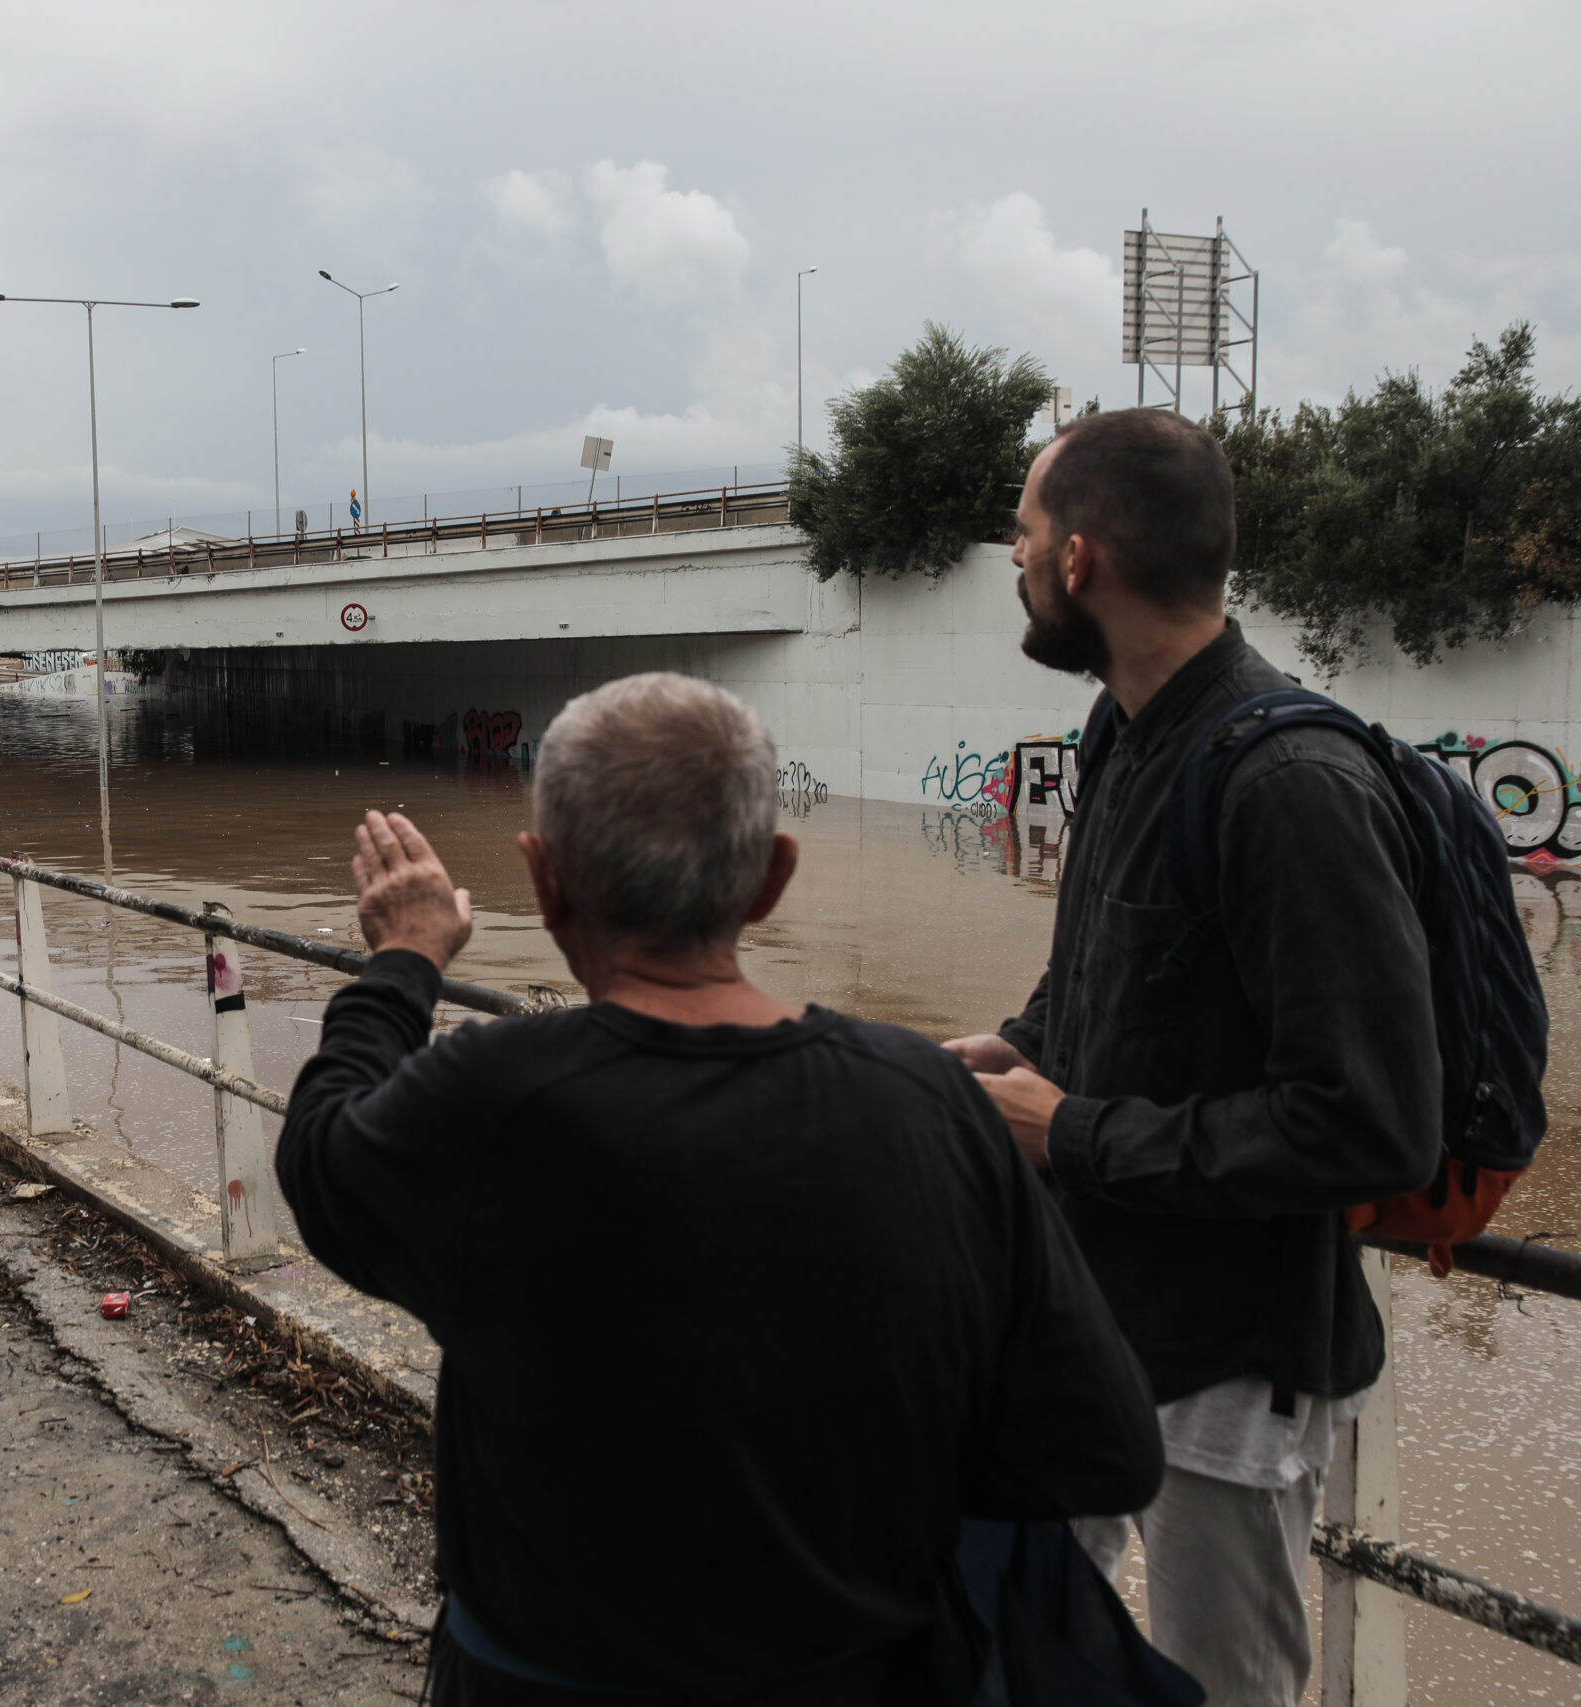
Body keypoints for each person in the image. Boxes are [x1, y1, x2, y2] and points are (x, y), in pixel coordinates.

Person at [278, 673, 1164, 1704]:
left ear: (543, 877)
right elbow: (1104, 1449)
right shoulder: (927, 1101)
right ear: (772, 878)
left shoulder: (490, 1101)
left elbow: (320, 1162)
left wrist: (404, 963)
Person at [945, 407, 1441, 1707]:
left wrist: (1074, 1130)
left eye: (1026, 527)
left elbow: (1375, 1121)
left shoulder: (1290, 782)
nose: (1014, 550)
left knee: (1226, 1685)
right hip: (1090, 1314)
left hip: (1231, 1367)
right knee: (1003, 1634)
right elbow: (1116, 976)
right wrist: (1020, 1044)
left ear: (1081, 560)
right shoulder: (1123, 730)